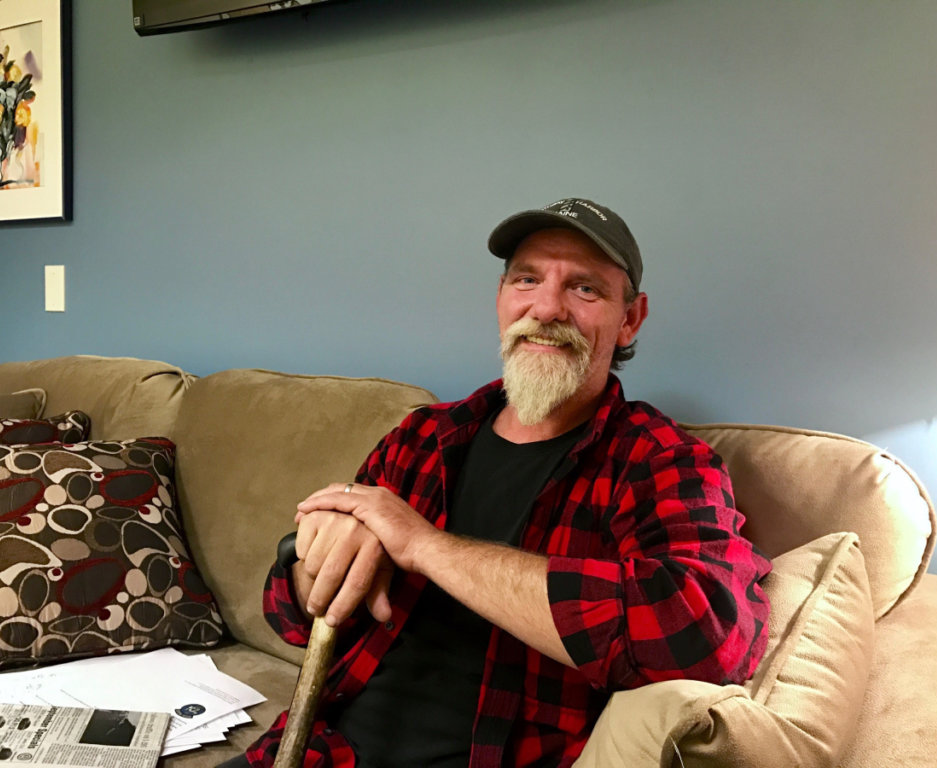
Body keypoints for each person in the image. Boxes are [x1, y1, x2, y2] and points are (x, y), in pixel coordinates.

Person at [238, 198, 771, 767]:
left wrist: (425, 546)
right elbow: (289, 617)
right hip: (317, 751)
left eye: (584, 288)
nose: (546, 308)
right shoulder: (423, 438)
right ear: (501, 296)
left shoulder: (660, 461)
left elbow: (708, 636)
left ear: (630, 319)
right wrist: (317, 561)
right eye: (527, 279)